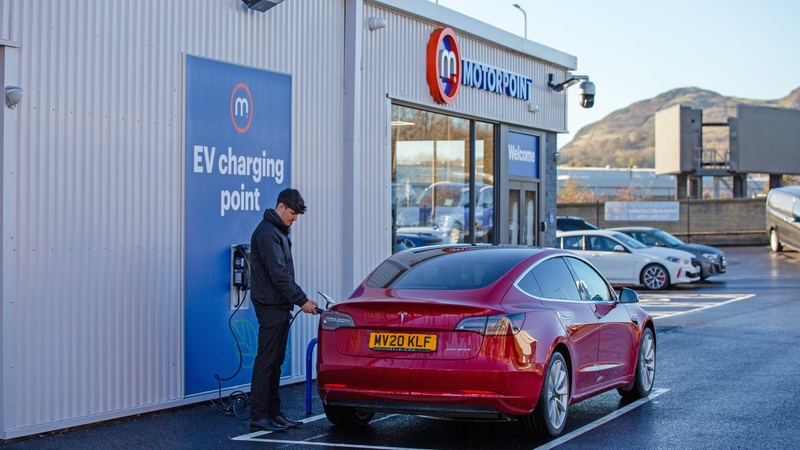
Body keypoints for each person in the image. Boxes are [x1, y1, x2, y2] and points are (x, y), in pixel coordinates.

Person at [248, 188, 318, 432]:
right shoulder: (267, 234)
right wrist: (302, 300)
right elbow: (279, 273)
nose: (295, 218)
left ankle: (273, 413)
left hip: (278, 305)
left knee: (275, 361)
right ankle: (259, 416)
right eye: (292, 212)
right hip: (270, 306)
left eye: (297, 214)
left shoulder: (277, 232)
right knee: (266, 361)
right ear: (280, 207)